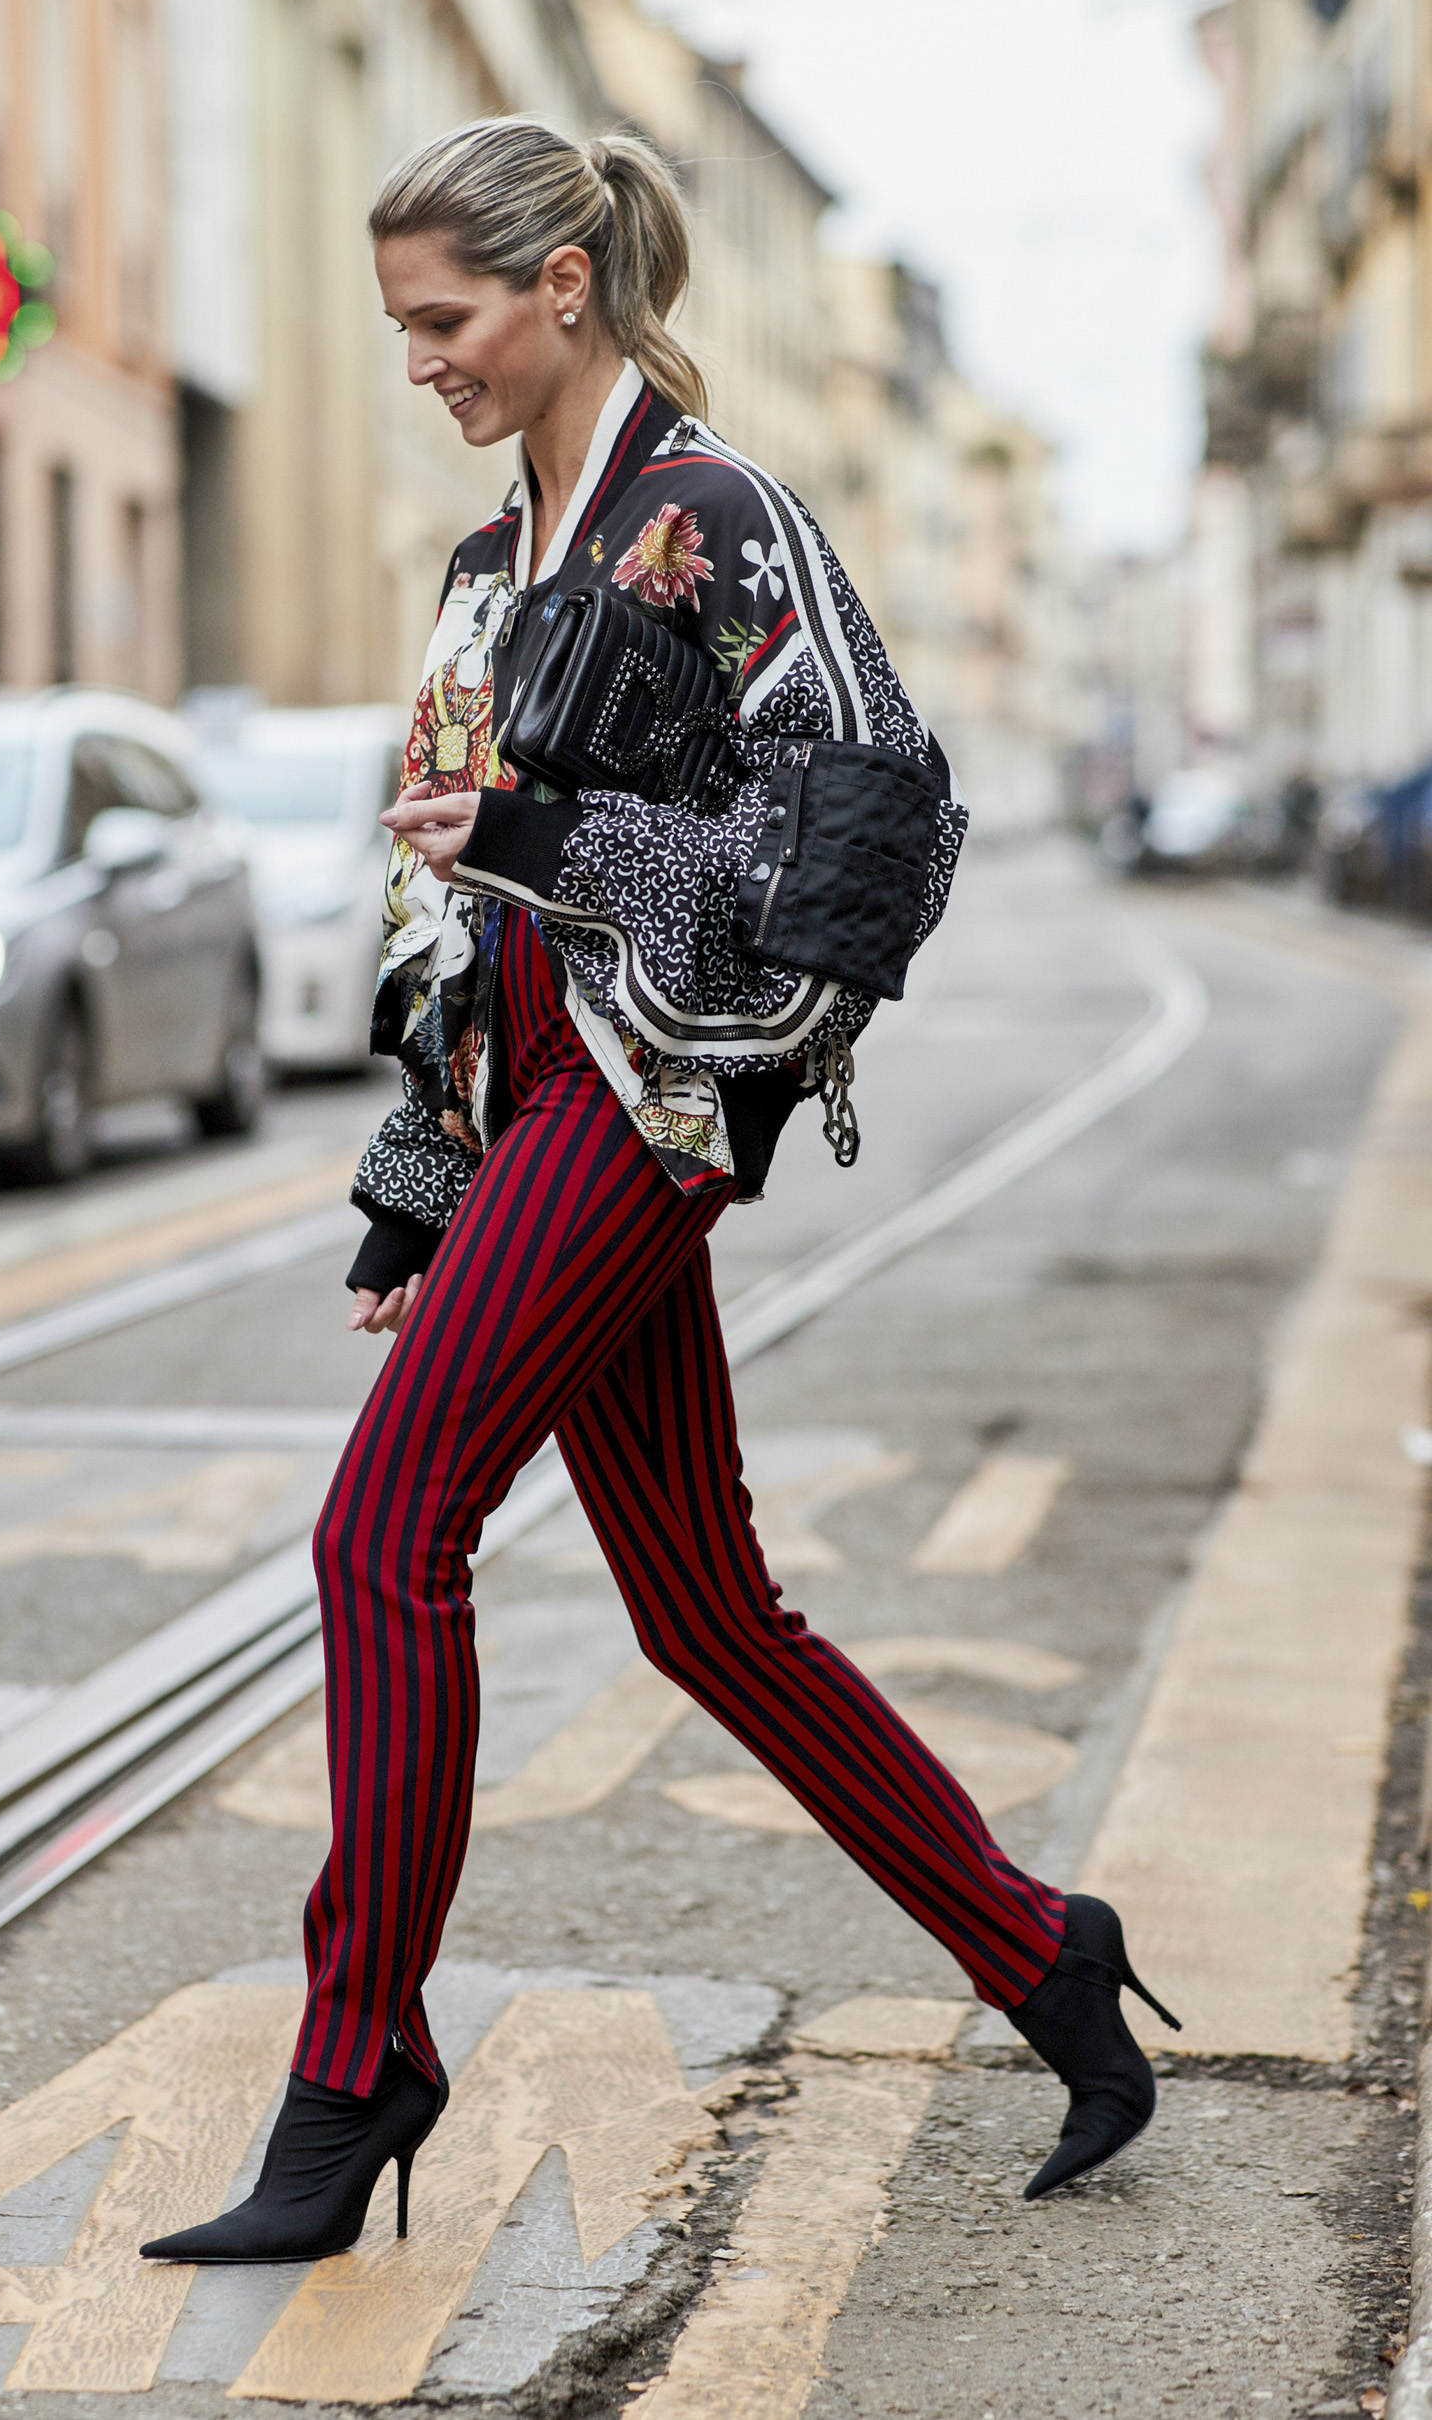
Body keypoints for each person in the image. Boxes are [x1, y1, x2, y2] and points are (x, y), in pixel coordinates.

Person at [141, 116, 1176, 2271]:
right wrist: (416, 1176)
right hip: (527, 1107)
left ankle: (358, 2069)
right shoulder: (486, 563)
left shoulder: (719, 525)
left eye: (444, 320)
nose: (418, 358)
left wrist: (553, 841)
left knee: (381, 1534)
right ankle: (1046, 1956)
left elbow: (868, 849)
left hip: (651, 1104)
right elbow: (446, 897)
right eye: (402, 324)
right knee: (704, 1610)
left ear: (563, 290)